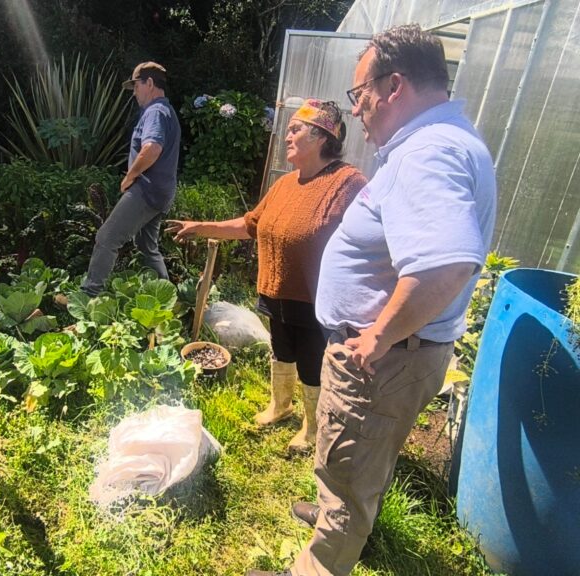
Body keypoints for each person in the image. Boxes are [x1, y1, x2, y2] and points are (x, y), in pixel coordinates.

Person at [246, 24, 497, 576]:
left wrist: (378, 334)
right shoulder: (445, 142)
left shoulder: (427, 153)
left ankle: (321, 557)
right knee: (357, 457)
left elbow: (448, 260)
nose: (357, 109)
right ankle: (334, 512)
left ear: (395, 86)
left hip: (383, 357)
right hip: (400, 353)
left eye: (360, 95)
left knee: (350, 471)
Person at [167, 100, 366, 454]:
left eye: (296, 129)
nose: (287, 135)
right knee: (281, 350)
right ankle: (280, 405)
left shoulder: (347, 182)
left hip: (315, 298)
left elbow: (369, 240)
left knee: (310, 361)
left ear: (321, 136)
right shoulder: (286, 184)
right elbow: (250, 225)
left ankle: (312, 426)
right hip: (277, 291)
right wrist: (201, 227)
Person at [81, 61, 181, 296]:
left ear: (149, 83)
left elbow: (152, 148)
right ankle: (166, 295)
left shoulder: (155, 111)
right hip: (161, 192)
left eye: (136, 86)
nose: (134, 92)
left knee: (107, 237)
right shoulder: (166, 110)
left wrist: (131, 176)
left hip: (146, 190)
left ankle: (88, 296)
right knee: (146, 246)